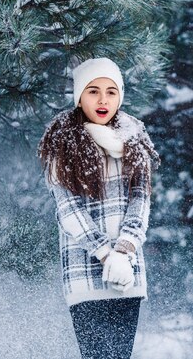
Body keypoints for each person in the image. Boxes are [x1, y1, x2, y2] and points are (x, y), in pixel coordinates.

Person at [37, 57, 159, 359]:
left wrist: (124, 250)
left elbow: (140, 202)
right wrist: (106, 254)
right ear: (80, 96)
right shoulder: (62, 144)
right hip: (85, 274)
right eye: (93, 91)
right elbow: (68, 211)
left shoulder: (135, 141)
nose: (103, 99)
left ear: (120, 96)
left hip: (127, 273)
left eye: (111, 91)